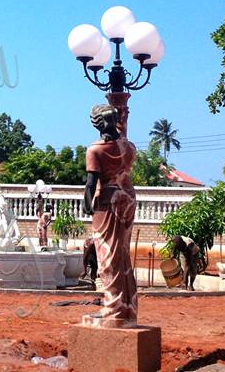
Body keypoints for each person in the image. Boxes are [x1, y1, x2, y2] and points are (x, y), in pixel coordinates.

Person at [83, 104, 137, 328]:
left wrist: (87, 205)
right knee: (122, 254)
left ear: (96, 123)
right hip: (128, 197)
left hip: (107, 201)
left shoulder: (95, 150)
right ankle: (128, 307)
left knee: (107, 257)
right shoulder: (129, 146)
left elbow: (91, 183)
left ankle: (113, 309)